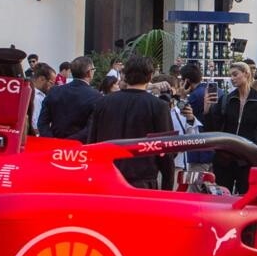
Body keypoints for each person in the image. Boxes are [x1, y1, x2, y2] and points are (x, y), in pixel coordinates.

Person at [84, 55, 171, 189]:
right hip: (142, 181)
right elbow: (166, 150)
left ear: (124, 75)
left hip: (106, 178)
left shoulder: (103, 102)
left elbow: (92, 142)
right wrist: (167, 187)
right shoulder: (158, 106)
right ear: (150, 76)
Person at [37, 56, 102, 142]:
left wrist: (53, 141)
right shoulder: (96, 96)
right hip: (79, 147)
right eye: (94, 70)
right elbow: (90, 129)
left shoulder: (54, 91)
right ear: (89, 73)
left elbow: (42, 123)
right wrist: (67, 143)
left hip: (53, 145)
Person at [27, 63, 55, 133]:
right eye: (51, 83)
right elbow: (36, 126)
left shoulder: (37, 94)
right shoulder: (36, 97)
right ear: (42, 79)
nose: (52, 86)